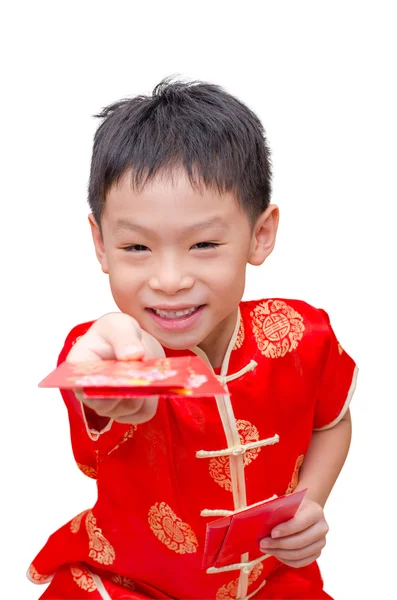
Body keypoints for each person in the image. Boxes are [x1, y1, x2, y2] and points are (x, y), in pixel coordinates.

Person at [28, 79, 358, 599]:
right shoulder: (108, 348)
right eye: (136, 246)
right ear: (100, 244)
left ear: (260, 234)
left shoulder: (299, 334)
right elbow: (98, 376)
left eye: (204, 243)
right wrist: (109, 379)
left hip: (269, 579)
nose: (169, 279)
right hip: (123, 582)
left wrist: (309, 503)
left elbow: (333, 422)